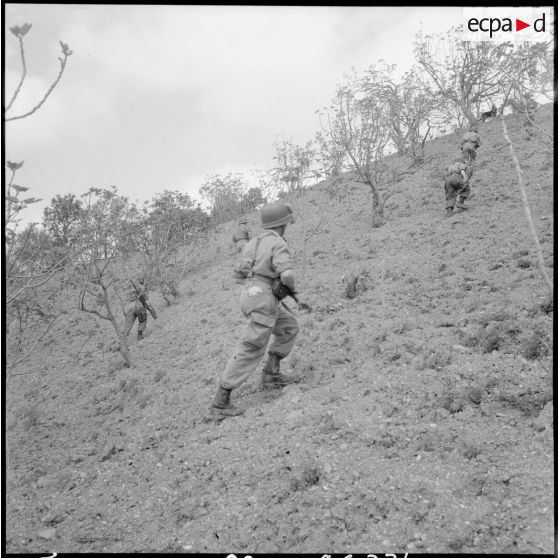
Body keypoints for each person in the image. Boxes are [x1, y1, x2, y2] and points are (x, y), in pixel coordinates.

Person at [211, 201, 306, 418]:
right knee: (252, 346)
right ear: (282, 223)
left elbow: (240, 273)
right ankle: (221, 400)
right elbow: (287, 275)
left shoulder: (253, 241)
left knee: (289, 326)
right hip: (264, 298)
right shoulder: (277, 242)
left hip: (250, 294)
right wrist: (291, 289)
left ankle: (271, 374)